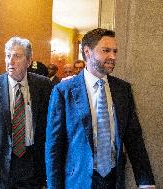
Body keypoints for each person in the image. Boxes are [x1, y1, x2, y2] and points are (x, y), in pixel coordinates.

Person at [45, 28, 156, 189]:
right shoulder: (64, 92)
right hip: (78, 181)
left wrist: (146, 181)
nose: (113, 56)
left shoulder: (122, 90)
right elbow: (54, 146)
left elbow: (134, 138)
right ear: (87, 52)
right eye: (106, 50)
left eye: (115, 51)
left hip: (113, 180)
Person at [0, 36, 52, 189]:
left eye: (17, 56)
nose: (10, 61)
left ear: (28, 61)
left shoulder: (44, 85)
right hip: (0, 165)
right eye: (8, 56)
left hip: (32, 164)